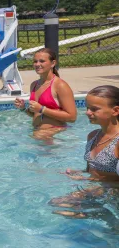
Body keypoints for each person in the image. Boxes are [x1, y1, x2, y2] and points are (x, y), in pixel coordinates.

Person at [50, 85, 119, 220]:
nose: (87, 112)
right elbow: (92, 169)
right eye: (87, 108)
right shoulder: (93, 136)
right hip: (96, 189)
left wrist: (94, 184)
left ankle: (101, 216)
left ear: (115, 110)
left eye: (94, 109)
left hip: (112, 193)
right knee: (56, 205)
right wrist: (81, 173)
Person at [14, 48, 77, 141]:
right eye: (35, 61)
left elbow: (72, 117)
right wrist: (23, 108)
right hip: (38, 131)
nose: (37, 64)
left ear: (53, 63)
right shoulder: (34, 85)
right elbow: (37, 114)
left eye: (42, 61)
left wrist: (42, 109)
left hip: (53, 132)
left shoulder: (60, 85)